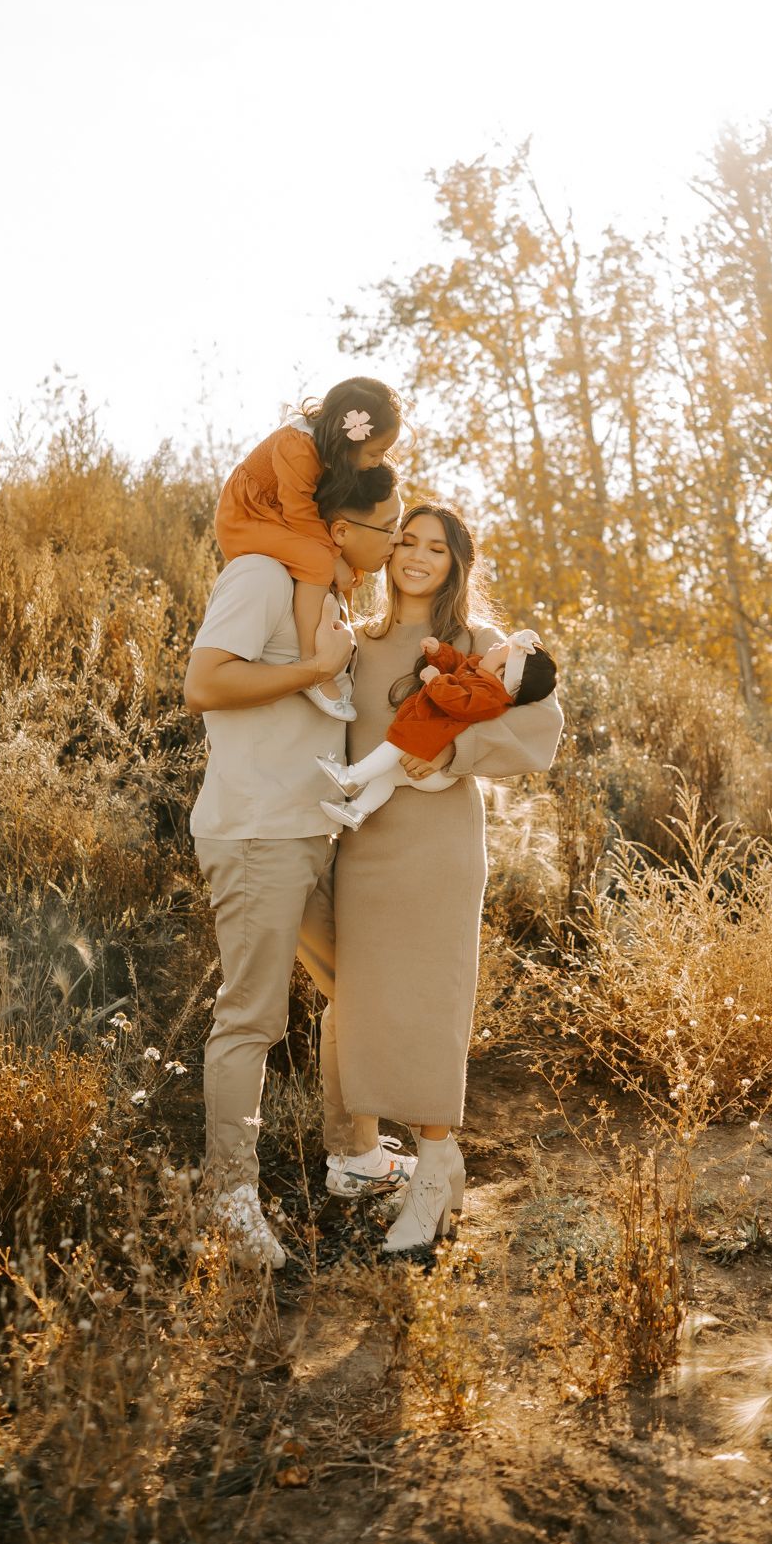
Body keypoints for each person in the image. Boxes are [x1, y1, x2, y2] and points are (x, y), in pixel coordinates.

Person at [184, 458, 409, 1269]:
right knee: (251, 1018)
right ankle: (227, 1199)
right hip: (254, 833)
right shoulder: (258, 576)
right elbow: (204, 683)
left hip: (311, 832)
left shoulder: (334, 595)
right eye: (390, 525)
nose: (396, 539)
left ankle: (353, 1157)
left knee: (364, 986)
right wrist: (313, 670)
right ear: (343, 529)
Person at [332, 503, 564, 1256]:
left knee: (431, 1002)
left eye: (435, 547)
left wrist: (453, 757)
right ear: (387, 553)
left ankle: (432, 1172)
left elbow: (541, 732)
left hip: (437, 845)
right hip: (361, 844)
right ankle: (374, 1158)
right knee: (365, 1001)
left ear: (456, 561)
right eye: (405, 542)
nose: (417, 556)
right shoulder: (355, 642)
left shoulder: (481, 643)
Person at [213, 377, 402, 720]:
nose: (379, 460)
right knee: (317, 559)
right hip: (247, 517)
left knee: (342, 561)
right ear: (349, 438)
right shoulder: (297, 445)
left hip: (275, 515)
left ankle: (342, 633)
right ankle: (312, 664)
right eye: (376, 452)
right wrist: (332, 558)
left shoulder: (327, 452)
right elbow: (298, 511)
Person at [316, 629, 557, 830]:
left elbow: (460, 702)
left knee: (398, 739)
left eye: (499, 649)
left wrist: (435, 680)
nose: (493, 646)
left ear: (502, 673)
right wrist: (439, 654)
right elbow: (458, 664)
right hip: (428, 773)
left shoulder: (490, 696)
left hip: (437, 767)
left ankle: (352, 777)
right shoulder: (479, 672)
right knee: (386, 776)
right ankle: (357, 811)